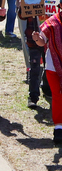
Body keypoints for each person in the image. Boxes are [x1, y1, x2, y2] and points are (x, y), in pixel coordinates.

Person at [30, 13, 62, 146]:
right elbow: (42, 40)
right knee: (58, 96)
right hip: (53, 66)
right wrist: (37, 39)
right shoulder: (52, 22)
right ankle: (58, 128)